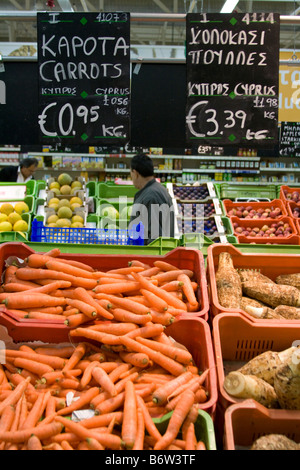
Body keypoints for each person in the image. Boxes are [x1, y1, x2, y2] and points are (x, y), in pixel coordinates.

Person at [129, 153, 175, 244]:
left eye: (131, 174)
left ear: (135, 173)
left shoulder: (151, 197)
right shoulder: (156, 189)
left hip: (151, 256)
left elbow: (156, 238)